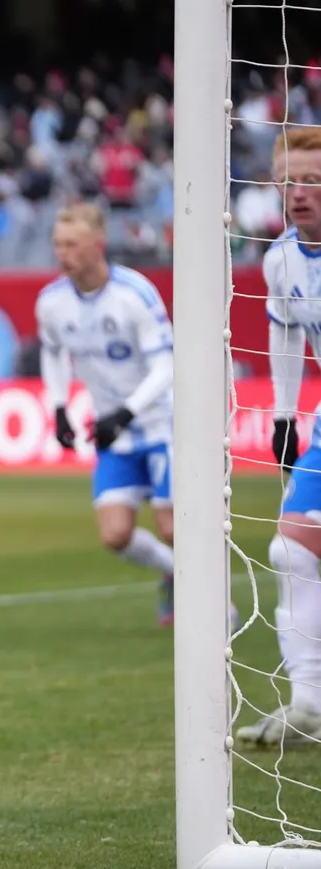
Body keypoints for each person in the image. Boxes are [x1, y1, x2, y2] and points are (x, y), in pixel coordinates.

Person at [36, 203, 179, 627]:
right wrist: (59, 407)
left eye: (72, 244)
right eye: (58, 244)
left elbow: (166, 365)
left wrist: (126, 412)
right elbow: (54, 352)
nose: (63, 254)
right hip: (116, 432)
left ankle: (214, 609)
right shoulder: (51, 302)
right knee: (115, 535)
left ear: (97, 245)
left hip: (164, 424)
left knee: (175, 527)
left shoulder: (134, 294)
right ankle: (173, 573)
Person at [238, 126, 321, 746]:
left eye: (314, 181)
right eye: (291, 180)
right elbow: (287, 334)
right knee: (291, 549)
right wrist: (286, 415)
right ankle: (310, 705)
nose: (301, 192)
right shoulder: (280, 258)